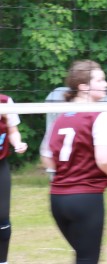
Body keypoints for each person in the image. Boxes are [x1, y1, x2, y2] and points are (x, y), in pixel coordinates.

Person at [39, 60, 107, 264]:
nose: (106, 84)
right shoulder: (101, 115)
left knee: (83, 256)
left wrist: (70, 167)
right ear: (83, 86)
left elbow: (47, 159)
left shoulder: (60, 117)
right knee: (88, 258)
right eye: (100, 80)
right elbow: (104, 159)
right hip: (85, 198)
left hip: (57, 200)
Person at [0, 93, 28, 264]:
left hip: (1, 164)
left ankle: (3, 261)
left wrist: (18, 143)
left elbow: (13, 131)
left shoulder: (5, 101)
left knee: (2, 216)